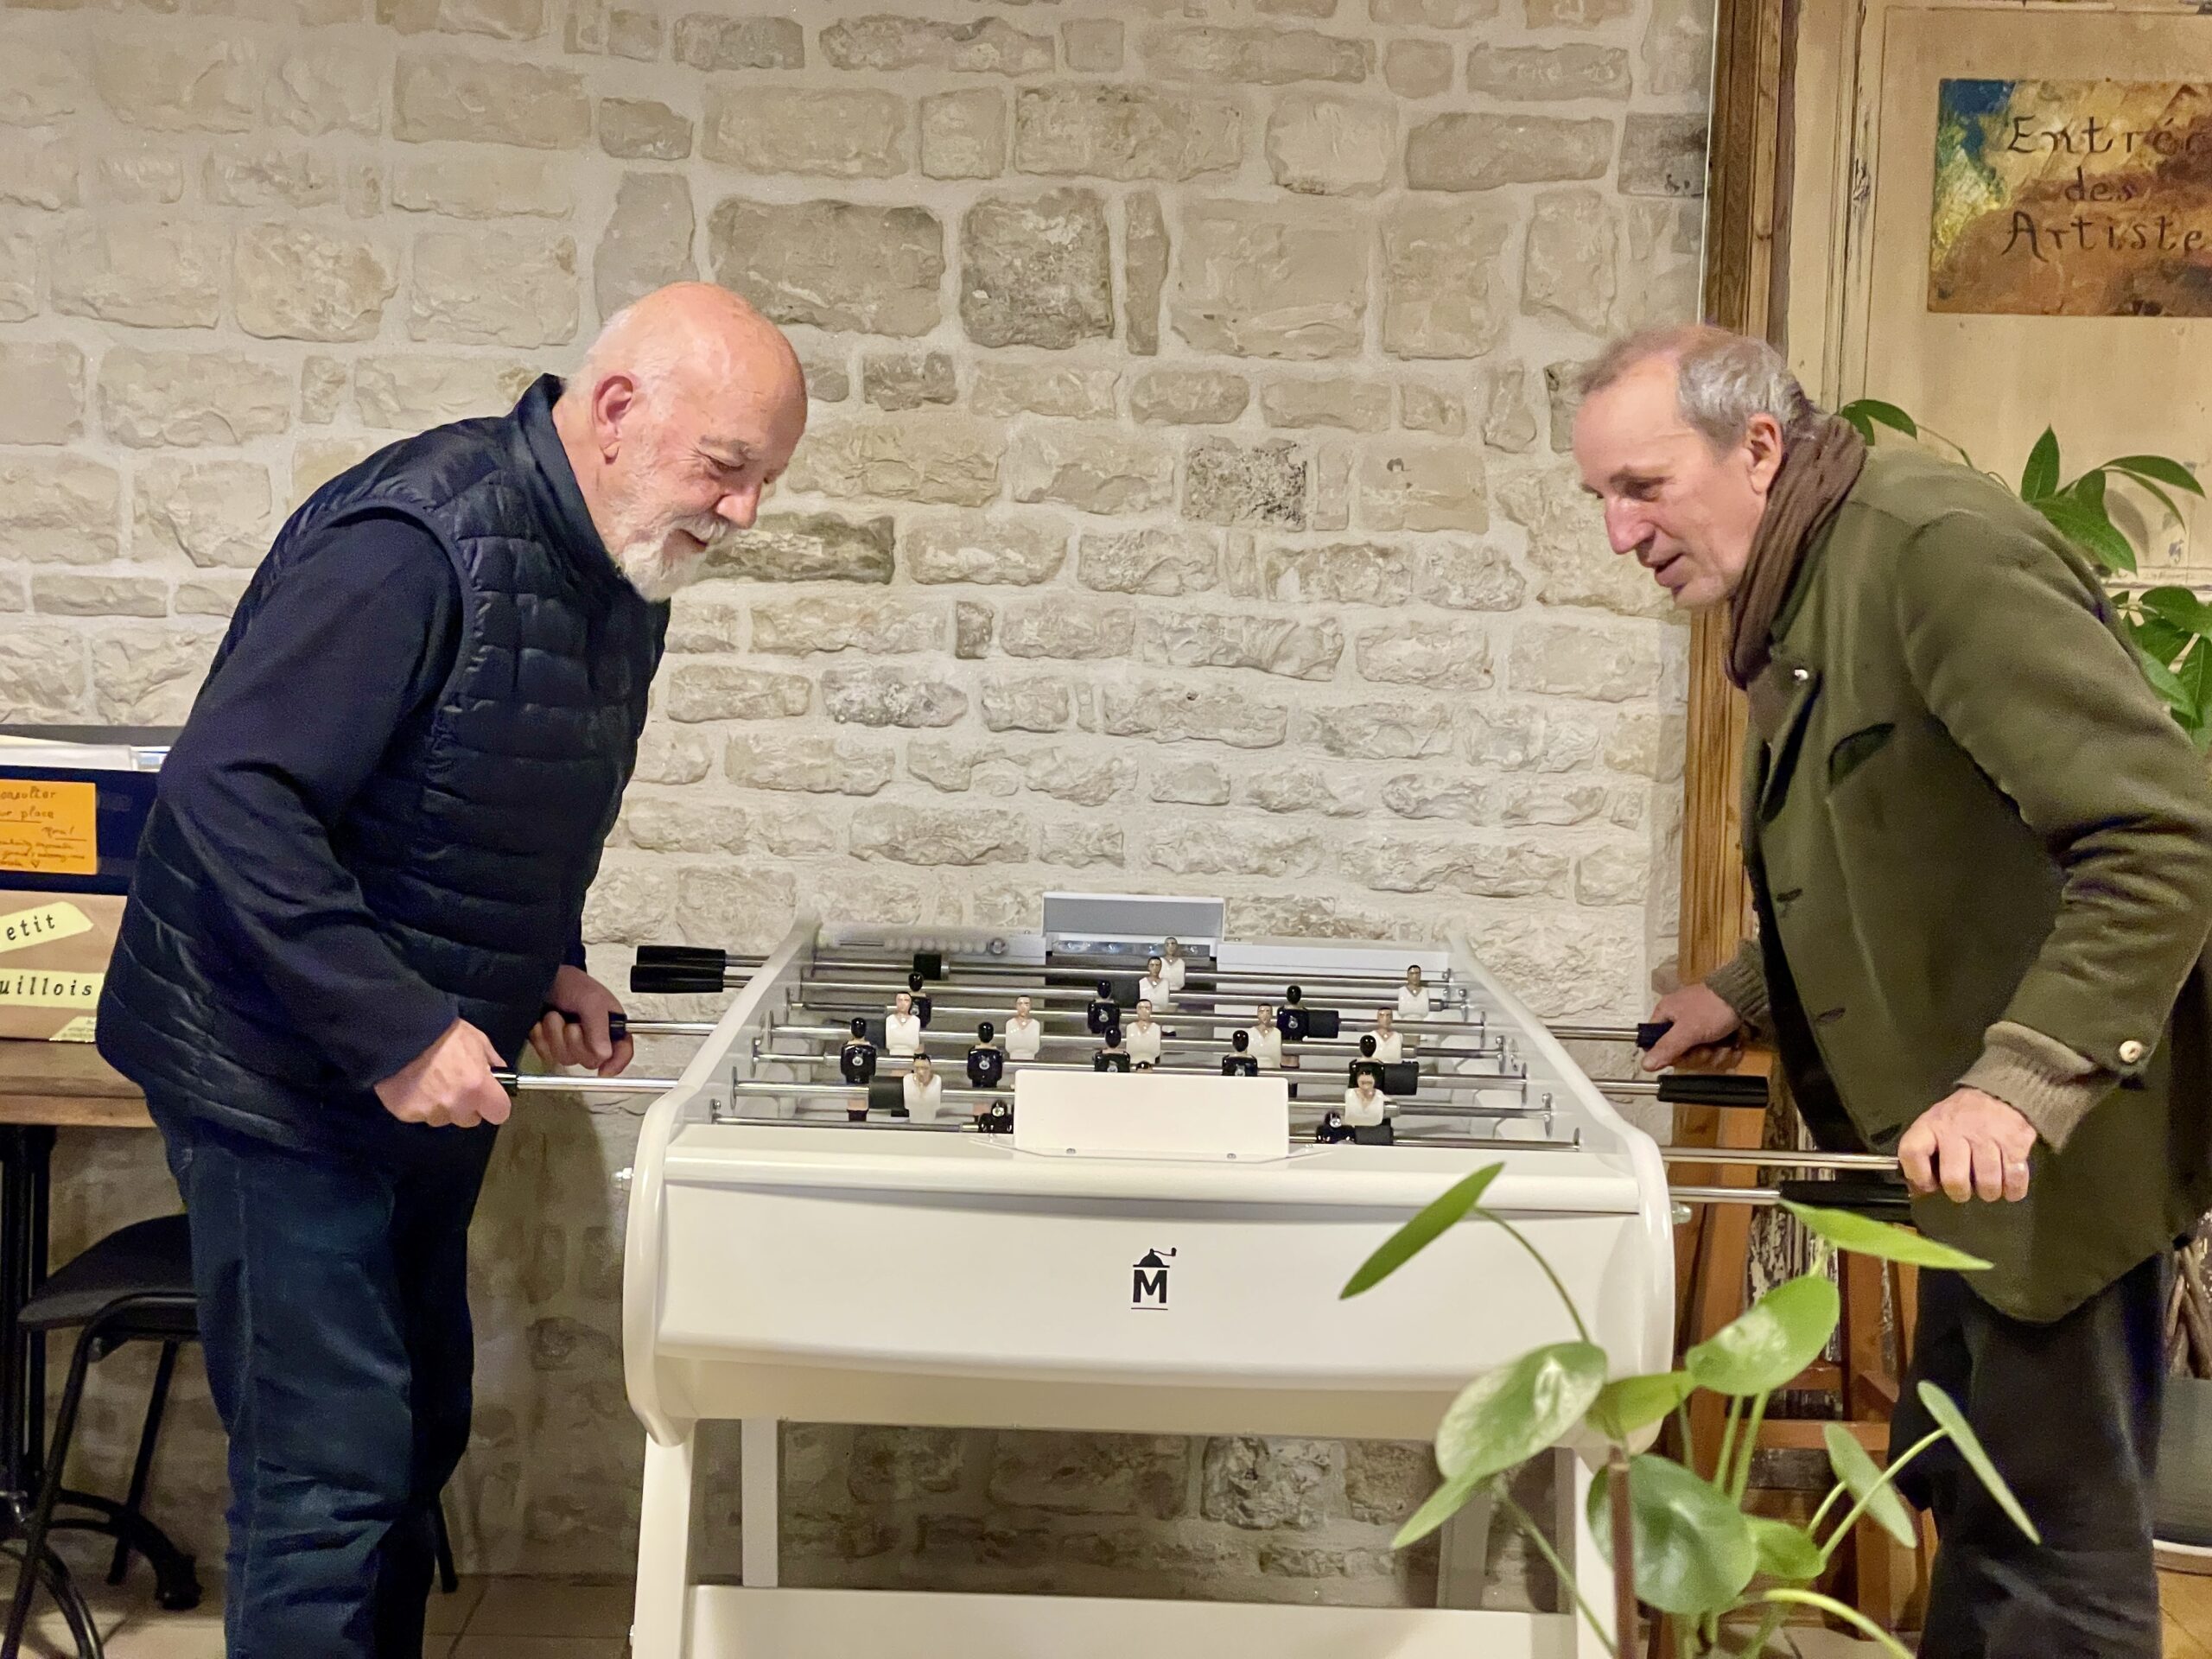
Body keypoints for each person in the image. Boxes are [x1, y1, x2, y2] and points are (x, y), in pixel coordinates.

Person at [92, 283, 807, 1659]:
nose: (744, 512)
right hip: (276, 1074)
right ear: (615, 410)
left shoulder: (624, 571)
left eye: (764, 480)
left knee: (416, 1431)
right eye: (728, 467)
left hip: (414, 1071)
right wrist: (398, 1029)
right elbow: (230, 793)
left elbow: (496, 800)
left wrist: (550, 964)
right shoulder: (414, 544)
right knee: (327, 1476)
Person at [1580, 323, 2212, 1659]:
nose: (1621, 532)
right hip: (1967, 1148)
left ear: (1758, 445)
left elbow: (2160, 833)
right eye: (1603, 498)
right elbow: (1901, 829)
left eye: (1643, 487)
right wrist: (1743, 991)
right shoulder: (1811, 571)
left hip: (2057, 1145)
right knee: (1973, 1507)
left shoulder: (1933, 552)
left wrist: (2018, 1085)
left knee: (2054, 1567)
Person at [1003, 995, 1043, 1062]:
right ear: (1016, 1006)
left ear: (1030, 1006)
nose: (1023, 1007)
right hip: (1013, 1059)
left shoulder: (1036, 1024)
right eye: (1020, 1004)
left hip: (1030, 1060)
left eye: (1026, 1004)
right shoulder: (1010, 1023)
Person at [886, 990, 924, 1058]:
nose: (903, 1003)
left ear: (910, 1003)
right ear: (896, 1002)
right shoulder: (889, 1019)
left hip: (911, 1055)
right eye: (900, 1000)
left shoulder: (916, 1020)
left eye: (906, 1000)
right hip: (892, 1055)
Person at [1126, 1000, 1164, 1068]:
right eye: (1140, 1008)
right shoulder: (1130, 1027)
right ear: (1137, 1010)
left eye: (1147, 1008)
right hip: (1132, 1065)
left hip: (1151, 1064)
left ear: (1151, 1010)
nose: (1144, 1011)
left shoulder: (1156, 1028)